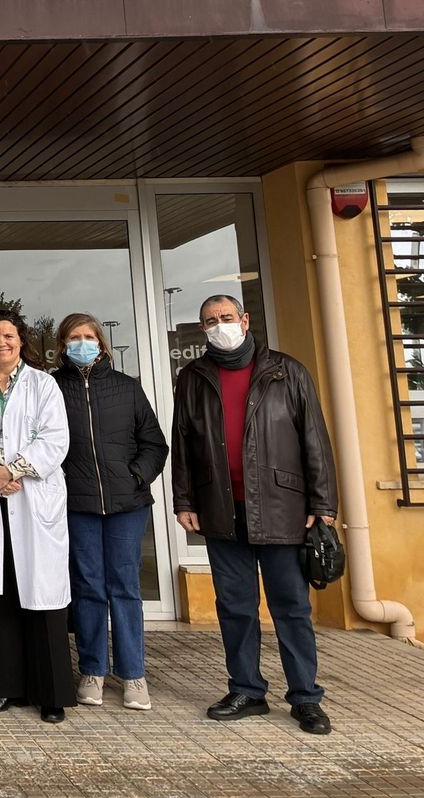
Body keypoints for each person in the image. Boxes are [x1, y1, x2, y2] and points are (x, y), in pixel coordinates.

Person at [172, 295, 336, 735]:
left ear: (244, 321)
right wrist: (184, 500)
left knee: (291, 608)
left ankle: (306, 698)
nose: (219, 325)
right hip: (221, 510)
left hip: (283, 508)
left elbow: (314, 441)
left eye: (226, 318)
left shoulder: (287, 371)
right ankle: (246, 690)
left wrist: (322, 506)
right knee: (236, 608)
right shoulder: (193, 377)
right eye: (210, 321)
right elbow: (183, 443)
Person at [0, 310, 74, 724]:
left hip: (31, 498)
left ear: (21, 340)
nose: (0, 343)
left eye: (7, 336)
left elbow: (55, 437)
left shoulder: (44, 385)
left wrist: (15, 469)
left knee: (40, 596)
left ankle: (51, 693)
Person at [53, 313, 168, 712]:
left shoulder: (126, 388)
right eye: (73, 338)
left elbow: (154, 443)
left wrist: (136, 476)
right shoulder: (52, 387)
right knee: (88, 587)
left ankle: (134, 674)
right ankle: (92, 670)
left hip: (126, 504)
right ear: (62, 345)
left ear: (101, 344)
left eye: (88, 337)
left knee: (124, 587)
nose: (81, 343)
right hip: (77, 503)